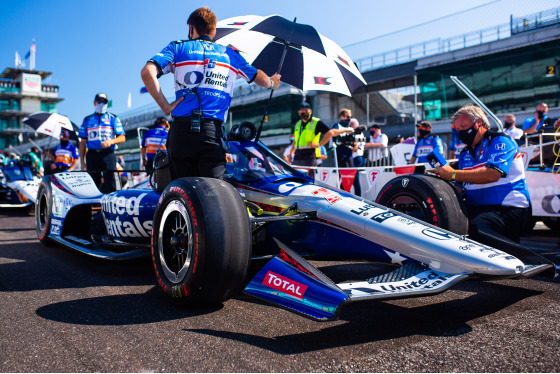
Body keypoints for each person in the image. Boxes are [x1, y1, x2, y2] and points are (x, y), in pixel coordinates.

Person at [140, 6, 281, 181]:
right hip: (212, 133)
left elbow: (147, 72)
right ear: (213, 31)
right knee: (213, 193)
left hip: (181, 132)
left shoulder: (178, 48)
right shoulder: (231, 55)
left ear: (191, 28)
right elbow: (258, 77)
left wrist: (165, 106)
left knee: (182, 193)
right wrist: (272, 82)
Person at [434, 104, 530, 244]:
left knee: (474, 226)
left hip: (508, 209)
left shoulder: (500, 141)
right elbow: (460, 187)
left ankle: (521, 259)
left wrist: (453, 174)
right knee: (446, 220)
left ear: (478, 122)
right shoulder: (465, 153)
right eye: (458, 129)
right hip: (479, 208)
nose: (460, 132)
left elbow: (492, 174)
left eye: (464, 126)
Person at [78, 93, 126, 193]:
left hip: (107, 154)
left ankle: (109, 205)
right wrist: (82, 161)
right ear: (94, 103)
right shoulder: (87, 119)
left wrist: (111, 141)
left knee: (110, 182)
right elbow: (82, 142)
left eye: (104, 101)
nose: (102, 103)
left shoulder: (113, 118)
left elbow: (122, 137)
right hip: (92, 154)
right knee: (92, 183)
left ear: (107, 104)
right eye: (99, 101)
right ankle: (94, 205)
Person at [289, 102, 351, 177]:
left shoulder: (316, 122)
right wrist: (290, 154)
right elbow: (295, 140)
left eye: (306, 111)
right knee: (296, 180)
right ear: (299, 112)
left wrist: (319, 145)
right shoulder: (297, 124)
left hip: (309, 157)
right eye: (302, 111)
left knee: (308, 182)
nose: (304, 113)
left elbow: (330, 133)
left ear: (310, 111)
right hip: (297, 157)